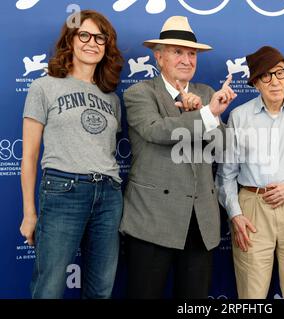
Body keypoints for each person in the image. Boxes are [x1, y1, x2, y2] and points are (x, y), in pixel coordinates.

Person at [120, 16, 236, 299]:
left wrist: (205, 114)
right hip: (152, 221)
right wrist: (203, 115)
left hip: (200, 222)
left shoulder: (207, 94)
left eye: (191, 53)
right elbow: (156, 131)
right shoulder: (140, 93)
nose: (187, 59)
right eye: (177, 52)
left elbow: (221, 147)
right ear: (159, 57)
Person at [20, 10, 124, 298]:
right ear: (71, 40)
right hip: (63, 190)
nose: (92, 43)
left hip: (109, 195)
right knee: (49, 288)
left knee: (100, 290)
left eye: (100, 38)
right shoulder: (44, 86)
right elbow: (28, 156)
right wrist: (29, 213)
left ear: (107, 45)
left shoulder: (112, 98)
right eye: (84, 35)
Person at [216, 46, 284, 299]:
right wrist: (235, 214)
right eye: (266, 76)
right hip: (252, 209)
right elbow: (226, 174)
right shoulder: (239, 117)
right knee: (251, 293)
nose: (275, 81)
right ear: (255, 82)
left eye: (281, 73)